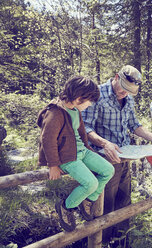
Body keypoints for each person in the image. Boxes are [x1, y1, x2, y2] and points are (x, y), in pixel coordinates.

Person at [81, 65, 152, 244]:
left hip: (124, 157)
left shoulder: (128, 99)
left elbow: (134, 125)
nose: (125, 93)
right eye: (123, 89)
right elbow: (85, 127)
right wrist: (105, 143)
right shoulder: (97, 94)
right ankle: (101, 243)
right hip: (105, 159)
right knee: (106, 206)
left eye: (130, 91)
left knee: (124, 202)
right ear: (115, 77)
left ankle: (121, 242)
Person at [37, 76, 115, 232]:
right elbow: (47, 139)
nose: (90, 105)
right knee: (91, 183)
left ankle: (88, 200)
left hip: (81, 151)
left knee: (108, 170)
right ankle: (66, 206)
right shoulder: (55, 112)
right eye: (89, 101)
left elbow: (80, 133)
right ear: (79, 98)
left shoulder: (74, 110)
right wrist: (53, 165)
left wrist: (88, 149)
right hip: (67, 157)